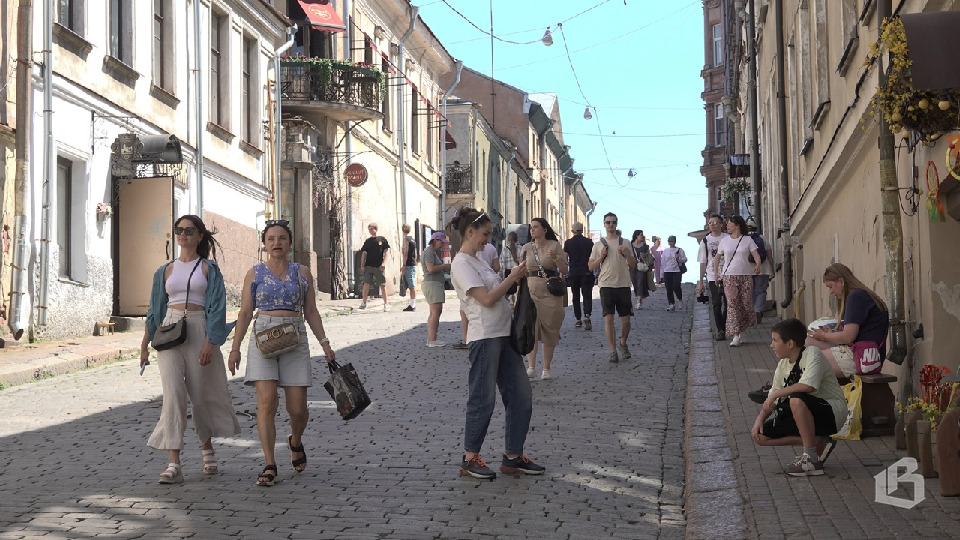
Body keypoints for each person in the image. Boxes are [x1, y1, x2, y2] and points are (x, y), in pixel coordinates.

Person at [228, 219, 337, 487]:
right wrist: (235, 348)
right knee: (266, 403)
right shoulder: (254, 273)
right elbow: (244, 312)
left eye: (282, 238)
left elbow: (311, 311)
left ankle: (295, 440)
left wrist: (325, 343)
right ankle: (269, 463)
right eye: (271, 239)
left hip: (295, 336)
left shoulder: (303, 273)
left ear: (289, 243)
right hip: (263, 336)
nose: (276, 243)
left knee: (298, 408)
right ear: (264, 244)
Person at [140, 214, 240, 484]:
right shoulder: (165, 271)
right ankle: (174, 462)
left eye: (188, 230)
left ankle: (207, 447)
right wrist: (144, 345)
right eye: (179, 230)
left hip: (198, 328)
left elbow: (217, 308)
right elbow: (153, 309)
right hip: (170, 330)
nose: (182, 234)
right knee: (173, 395)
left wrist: (211, 341)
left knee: (200, 394)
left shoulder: (209, 269)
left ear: (199, 235)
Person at [449, 206, 544, 480]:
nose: (488, 240)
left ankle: (513, 456)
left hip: (504, 334)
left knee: (521, 396)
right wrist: (511, 278)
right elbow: (487, 299)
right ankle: (470, 458)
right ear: (470, 231)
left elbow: (497, 293)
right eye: (485, 234)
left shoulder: (478, 260)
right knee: (483, 398)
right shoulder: (461, 264)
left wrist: (513, 280)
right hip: (484, 336)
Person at [751, 318, 846, 476]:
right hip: (804, 412)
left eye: (775, 340)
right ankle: (817, 441)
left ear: (790, 343)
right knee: (759, 436)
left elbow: (807, 387)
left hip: (831, 413)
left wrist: (775, 393)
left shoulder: (812, 354)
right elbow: (773, 401)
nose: (771, 345)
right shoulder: (783, 364)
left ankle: (811, 459)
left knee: (796, 398)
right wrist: (759, 419)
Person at [805, 263, 890, 378]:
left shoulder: (856, 297)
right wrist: (831, 334)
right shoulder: (858, 295)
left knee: (806, 360)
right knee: (807, 342)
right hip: (860, 351)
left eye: (830, 286)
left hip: (861, 356)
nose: (830, 292)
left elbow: (848, 337)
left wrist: (824, 335)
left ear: (841, 281)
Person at [519, 218, 568, 380]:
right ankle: (531, 367)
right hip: (531, 290)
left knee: (549, 330)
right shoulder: (526, 248)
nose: (532, 230)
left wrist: (555, 258)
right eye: (531, 228)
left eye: (535, 227)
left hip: (551, 293)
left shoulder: (554, 246)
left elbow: (565, 269)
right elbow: (521, 271)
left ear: (544, 229)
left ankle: (546, 369)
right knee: (531, 329)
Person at [588, 212, 637, 364]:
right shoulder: (598, 245)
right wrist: (601, 257)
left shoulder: (626, 242)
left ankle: (622, 343)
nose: (611, 225)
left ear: (617, 224)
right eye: (608, 222)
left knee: (626, 321)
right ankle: (612, 351)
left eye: (613, 222)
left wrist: (627, 253)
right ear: (604, 224)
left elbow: (633, 265)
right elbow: (590, 267)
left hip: (623, 284)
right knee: (608, 319)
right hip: (606, 284)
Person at [713, 215, 761, 347]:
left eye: (729, 224)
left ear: (737, 225)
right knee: (733, 305)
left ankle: (743, 329)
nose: (727, 226)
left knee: (745, 303)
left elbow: (756, 255)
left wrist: (757, 265)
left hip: (746, 275)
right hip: (729, 276)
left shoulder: (747, 240)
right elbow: (717, 258)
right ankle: (735, 335)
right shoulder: (724, 241)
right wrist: (717, 274)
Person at [454, 240, 500, 350]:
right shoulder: (491, 249)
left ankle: (466, 338)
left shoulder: (470, 255)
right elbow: (497, 267)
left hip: (472, 284)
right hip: (485, 284)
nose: (487, 239)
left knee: (465, 310)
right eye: (485, 234)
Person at [697, 215, 729, 341]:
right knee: (716, 303)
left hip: (728, 273)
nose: (712, 224)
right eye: (710, 223)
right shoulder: (705, 241)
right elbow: (702, 262)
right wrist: (701, 282)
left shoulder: (727, 238)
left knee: (728, 302)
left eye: (715, 222)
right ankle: (720, 329)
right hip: (712, 275)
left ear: (721, 224)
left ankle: (726, 325)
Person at [422, 231, 451, 347]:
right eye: (442, 242)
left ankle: (431, 338)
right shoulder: (429, 252)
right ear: (435, 240)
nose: (443, 245)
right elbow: (431, 269)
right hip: (433, 283)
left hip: (434, 283)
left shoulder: (432, 252)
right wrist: (445, 266)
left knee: (433, 313)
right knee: (436, 313)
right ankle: (433, 340)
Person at [564, 222, 595, 330]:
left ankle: (578, 319)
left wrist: (563, 272)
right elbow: (593, 257)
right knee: (587, 295)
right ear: (582, 230)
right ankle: (587, 314)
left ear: (572, 231)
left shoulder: (568, 243)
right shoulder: (589, 242)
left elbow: (565, 259)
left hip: (574, 272)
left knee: (575, 296)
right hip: (586, 272)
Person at [746, 218, 774, 324]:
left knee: (751, 292)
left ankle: (753, 312)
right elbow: (769, 254)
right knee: (761, 291)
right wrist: (772, 267)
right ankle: (758, 310)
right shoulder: (763, 238)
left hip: (748, 270)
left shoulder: (743, 239)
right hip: (763, 268)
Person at [359, 222, 390, 311]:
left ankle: (386, 303)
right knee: (366, 283)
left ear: (376, 229)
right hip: (369, 265)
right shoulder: (368, 241)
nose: (370, 231)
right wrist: (362, 263)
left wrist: (384, 262)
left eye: (372, 229)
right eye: (369, 229)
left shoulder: (382, 240)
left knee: (382, 284)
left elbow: (386, 252)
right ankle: (364, 302)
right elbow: (364, 253)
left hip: (379, 266)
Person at [660, 235, 687, 312]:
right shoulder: (665, 251)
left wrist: (678, 258)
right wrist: (661, 274)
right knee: (669, 288)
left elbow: (685, 259)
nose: (670, 242)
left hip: (677, 271)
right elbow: (663, 263)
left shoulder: (679, 250)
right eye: (669, 241)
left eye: (672, 241)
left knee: (676, 286)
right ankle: (671, 303)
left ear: (674, 242)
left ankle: (680, 299)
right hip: (667, 271)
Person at [628, 230, 654, 310]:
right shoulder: (630, 245)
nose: (642, 236)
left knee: (640, 282)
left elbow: (650, 256)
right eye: (641, 235)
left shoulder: (645, 246)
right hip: (632, 266)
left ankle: (638, 301)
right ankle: (639, 297)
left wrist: (644, 256)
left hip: (641, 267)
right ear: (636, 236)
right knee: (634, 283)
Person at [499, 231, 521, 306]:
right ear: (517, 239)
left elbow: (501, 268)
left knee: (508, 303)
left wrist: (501, 280)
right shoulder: (521, 249)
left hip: (508, 278)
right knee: (519, 303)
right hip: (519, 279)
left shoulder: (504, 250)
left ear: (508, 239)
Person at [400, 224, 418, 311]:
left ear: (403, 230)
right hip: (413, 263)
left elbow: (405, 253)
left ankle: (413, 305)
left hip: (408, 264)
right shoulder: (413, 240)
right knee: (412, 285)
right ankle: (412, 304)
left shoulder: (406, 240)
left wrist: (403, 265)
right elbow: (415, 253)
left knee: (411, 286)